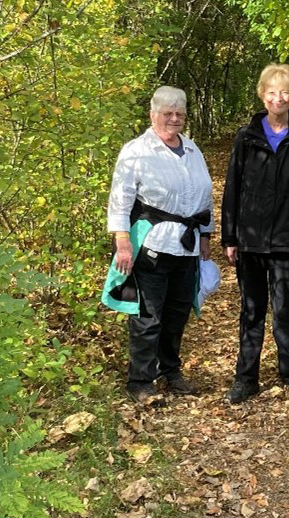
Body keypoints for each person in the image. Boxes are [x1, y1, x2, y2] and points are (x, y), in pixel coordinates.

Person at [106, 86, 214, 405]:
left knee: (178, 312)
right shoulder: (136, 151)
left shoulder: (193, 150)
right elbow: (120, 199)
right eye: (167, 113)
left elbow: (204, 197)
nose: (174, 119)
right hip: (151, 243)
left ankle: (171, 371)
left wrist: (206, 235)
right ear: (153, 114)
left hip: (187, 245)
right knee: (148, 314)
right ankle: (140, 380)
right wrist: (122, 242)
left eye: (179, 113)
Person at [221, 64, 289, 404]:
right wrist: (230, 237)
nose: (279, 98)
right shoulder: (246, 137)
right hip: (250, 239)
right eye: (273, 92)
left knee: (284, 312)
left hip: (286, 241)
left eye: (286, 93)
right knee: (251, 311)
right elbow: (232, 188)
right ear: (263, 95)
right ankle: (245, 378)